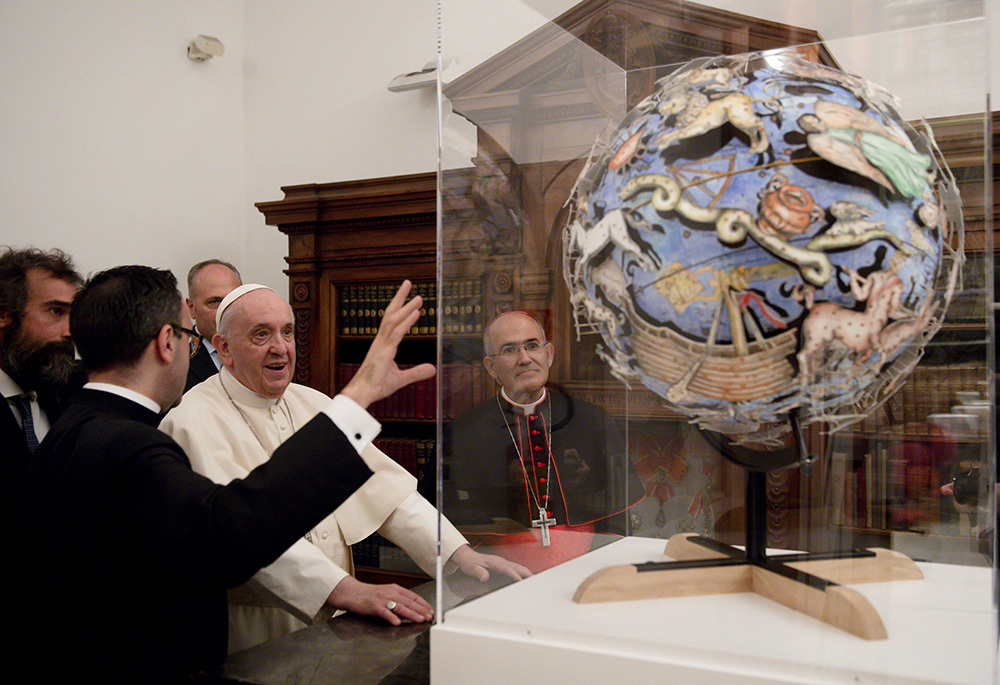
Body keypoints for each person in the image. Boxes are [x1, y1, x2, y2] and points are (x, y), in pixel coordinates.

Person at [22, 267, 436, 683]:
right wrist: (359, 395)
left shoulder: (66, 431)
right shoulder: (135, 447)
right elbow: (233, 530)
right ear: (168, 343)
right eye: (189, 337)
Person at [160, 284, 530, 651]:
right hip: (259, 627)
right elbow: (245, 534)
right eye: (261, 335)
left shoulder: (312, 402)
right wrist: (347, 590)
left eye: (287, 332)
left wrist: (457, 555)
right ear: (224, 348)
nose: (280, 347)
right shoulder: (192, 419)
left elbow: (389, 495)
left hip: (342, 618)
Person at [444, 311, 644, 572]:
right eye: (509, 350)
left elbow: (617, 515)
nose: (525, 359)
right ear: (491, 367)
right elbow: (450, 521)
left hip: (586, 569)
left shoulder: (592, 420)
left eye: (532, 346)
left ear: (548, 354)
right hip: (498, 576)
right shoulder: (464, 433)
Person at [0, 247, 82, 532]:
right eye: (56, 311)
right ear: (4, 315)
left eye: (75, 315)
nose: (70, 330)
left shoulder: (67, 395)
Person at [184, 259, 242, 391]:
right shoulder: (176, 362)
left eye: (232, 300)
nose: (224, 310)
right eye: (214, 302)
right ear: (192, 308)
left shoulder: (260, 352)